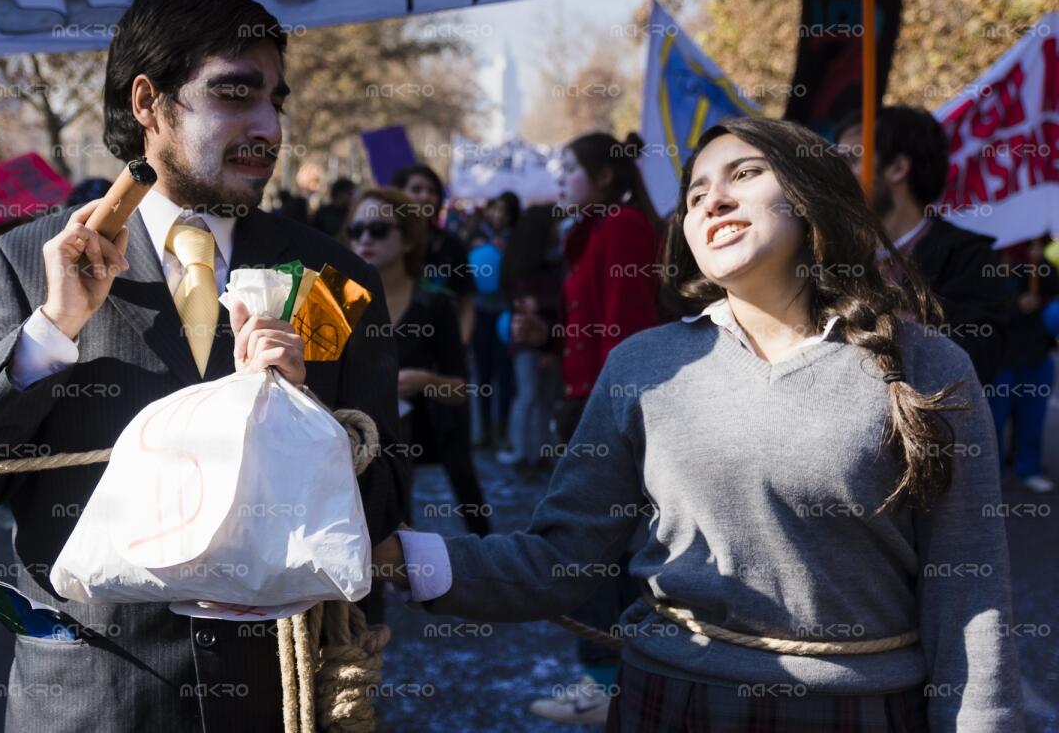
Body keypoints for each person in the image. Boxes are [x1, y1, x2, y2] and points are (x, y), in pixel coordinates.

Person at [376, 118, 1024, 732]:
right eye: (694, 194)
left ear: (809, 196)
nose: (713, 200)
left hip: (860, 708)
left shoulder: (928, 363)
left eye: (743, 174)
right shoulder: (643, 365)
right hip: (667, 696)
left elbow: (968, 590)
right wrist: (401, 557)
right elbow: (559, 558)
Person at [0, 0, 406, 733]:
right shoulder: (24, 260)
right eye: (235, 94)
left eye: (276, 99)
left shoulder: (334, 276)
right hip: (94, 702)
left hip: (273, 700)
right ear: (147, 103)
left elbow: (386, 499)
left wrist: (304, 423)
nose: (268, 125)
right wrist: (52, 328)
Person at [510, 131, 667, 724]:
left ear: (604, 177)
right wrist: (551, 337)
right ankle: (609, 681)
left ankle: (609, 686)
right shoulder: (595, 230)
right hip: (587, 404)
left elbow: (629, 338)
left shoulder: (623, 225)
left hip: (608, 412)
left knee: (596, 554)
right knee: (597, 554)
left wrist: (609, 421)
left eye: (569, 167)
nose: (559, 179)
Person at [345, 187, 490, 537]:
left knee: (463, 504)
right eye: (356, 230)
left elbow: (461, 389)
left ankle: (483, 571)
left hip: (433, 432)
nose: (365, 238)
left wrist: (425, 380)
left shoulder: (435, 304)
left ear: (408, 241)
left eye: (378, 230)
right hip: (362, 446)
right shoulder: (337, 299)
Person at [836, 106, 1010, 385]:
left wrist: (896, 324)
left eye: (850, 160)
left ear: (897, 168)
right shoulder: (829, 253)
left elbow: (978, 360)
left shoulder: (968, 258)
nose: (838, 174)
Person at [497, 202, 563, 471]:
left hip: (546, 339)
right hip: (528, 340)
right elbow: (526, 307)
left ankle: (537, 451)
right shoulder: (528, 264)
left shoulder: (546, 259)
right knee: (530, 394)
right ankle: (523, 450)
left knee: (541, 397)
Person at [988, 240, 1057, 493]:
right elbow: (976, 308)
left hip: (1035, 354)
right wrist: (1014, 307)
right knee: (992, 422)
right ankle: (988, 475)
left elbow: (1053, 288)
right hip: (1000, 359)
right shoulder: (985, 262)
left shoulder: (1035, 257)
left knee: (1032, 419)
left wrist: (1040, 263)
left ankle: (1029, 468)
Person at [391, 164, 476, 344]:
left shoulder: (452, 246)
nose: (425, 196)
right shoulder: (381, 239)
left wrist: (457, 350)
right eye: (416, 189)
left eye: (432, 191)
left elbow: (466, 305)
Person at [470, 192, 520, 449]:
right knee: (484, 374)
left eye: (504, 212)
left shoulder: (519, 240)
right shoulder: (476, 235)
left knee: (505, 373)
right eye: (495, 210)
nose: (498, 216)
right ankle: (485, 431)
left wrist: (509, 254)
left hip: (505, 314)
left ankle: (502, 430)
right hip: (481, 313)